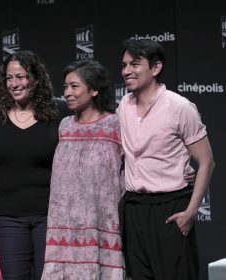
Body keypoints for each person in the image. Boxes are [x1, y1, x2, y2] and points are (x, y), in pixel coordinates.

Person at [117, 38, 215, 280]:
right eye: (124, 64)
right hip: (134, 209)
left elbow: (206, 162)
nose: (126, 71)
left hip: (171, 210)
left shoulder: (179, 107)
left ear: (156, 68)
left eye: (135, 64)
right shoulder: (123, 106)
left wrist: (191, 212)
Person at [0, 50, 71, 279]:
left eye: (20, 77)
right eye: (9, 78)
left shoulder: (59, 113)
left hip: (51, 216)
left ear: (36, 78)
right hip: (8, 217)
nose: (14, 84)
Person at [41, 59, 125, 279]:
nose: (67, 92)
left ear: (94, 89)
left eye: (74, 86)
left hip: (102, 223)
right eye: (66, 86)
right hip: (62, 227)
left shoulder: (115, 124)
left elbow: (135, 164)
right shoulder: (65, 126)